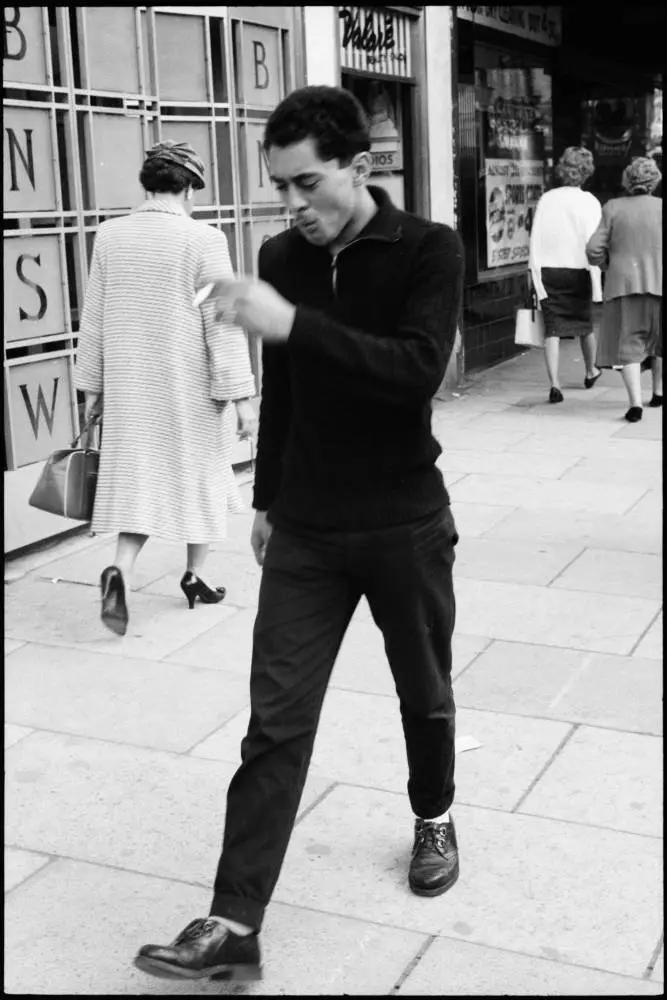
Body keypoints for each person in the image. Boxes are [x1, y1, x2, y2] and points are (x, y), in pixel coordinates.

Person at [134, 86, 464, 983]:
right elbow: (284, 393)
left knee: (423, 693)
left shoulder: (427, 249)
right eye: (279, 186)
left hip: (403, 521)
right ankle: (234, 926)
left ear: (360, 167)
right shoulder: (279, 253)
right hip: (308, 531)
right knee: (274, 726)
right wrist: (266, 499)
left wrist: (291, 322)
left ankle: (433, 813)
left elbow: (414, 371)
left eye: (306, 183)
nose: (290, 206)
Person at [74, 140, 257, 636]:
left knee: (139, 483)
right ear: (190, 189)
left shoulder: (110, 236)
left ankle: (123, 572)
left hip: (132, 386)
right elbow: (223, 321)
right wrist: (242, 397)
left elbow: (94, 319)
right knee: (202, 475)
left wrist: (92, 388)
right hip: (189, 386)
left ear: (147, 184)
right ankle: (196, 574)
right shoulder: (203, 239)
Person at [586, 156, 662, 422]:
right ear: (655, 181)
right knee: (659, 341)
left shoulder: (613, 207)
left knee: (630, 344)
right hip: (660, 285)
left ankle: (635, 404)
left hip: (624, 285)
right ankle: (659, 392)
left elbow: (593, 248)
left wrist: (607, 263)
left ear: (628, 181)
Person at [529, 146, 604, 403]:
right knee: (584, 324)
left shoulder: (547, 199)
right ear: (585, 173)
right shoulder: (590, 202)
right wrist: (597, 283)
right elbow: (594, 243)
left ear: (563, 169)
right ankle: (591, 369)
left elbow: (535, 237)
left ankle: (555, 384)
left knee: (552, 329)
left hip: (549, 270)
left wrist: (535, 273)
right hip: (578, 270)